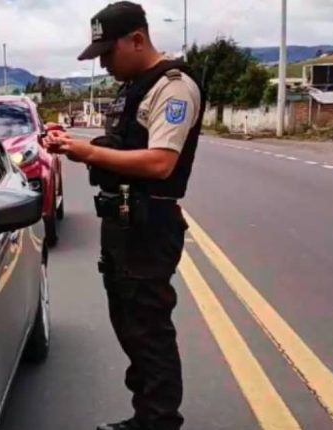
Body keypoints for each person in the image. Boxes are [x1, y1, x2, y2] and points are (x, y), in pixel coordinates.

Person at [43, 2, 204, 430]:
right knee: (130, 326)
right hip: (124, 222)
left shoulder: (173, 86)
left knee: (148, 331)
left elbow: (159, 163)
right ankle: (146, 416)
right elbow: (123, 142)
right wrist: (74, 142)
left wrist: (89, 152)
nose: (105, 64)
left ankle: (159, 422)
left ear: (137, 39)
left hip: (150, 227)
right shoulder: (134, 86)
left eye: (108, 54)